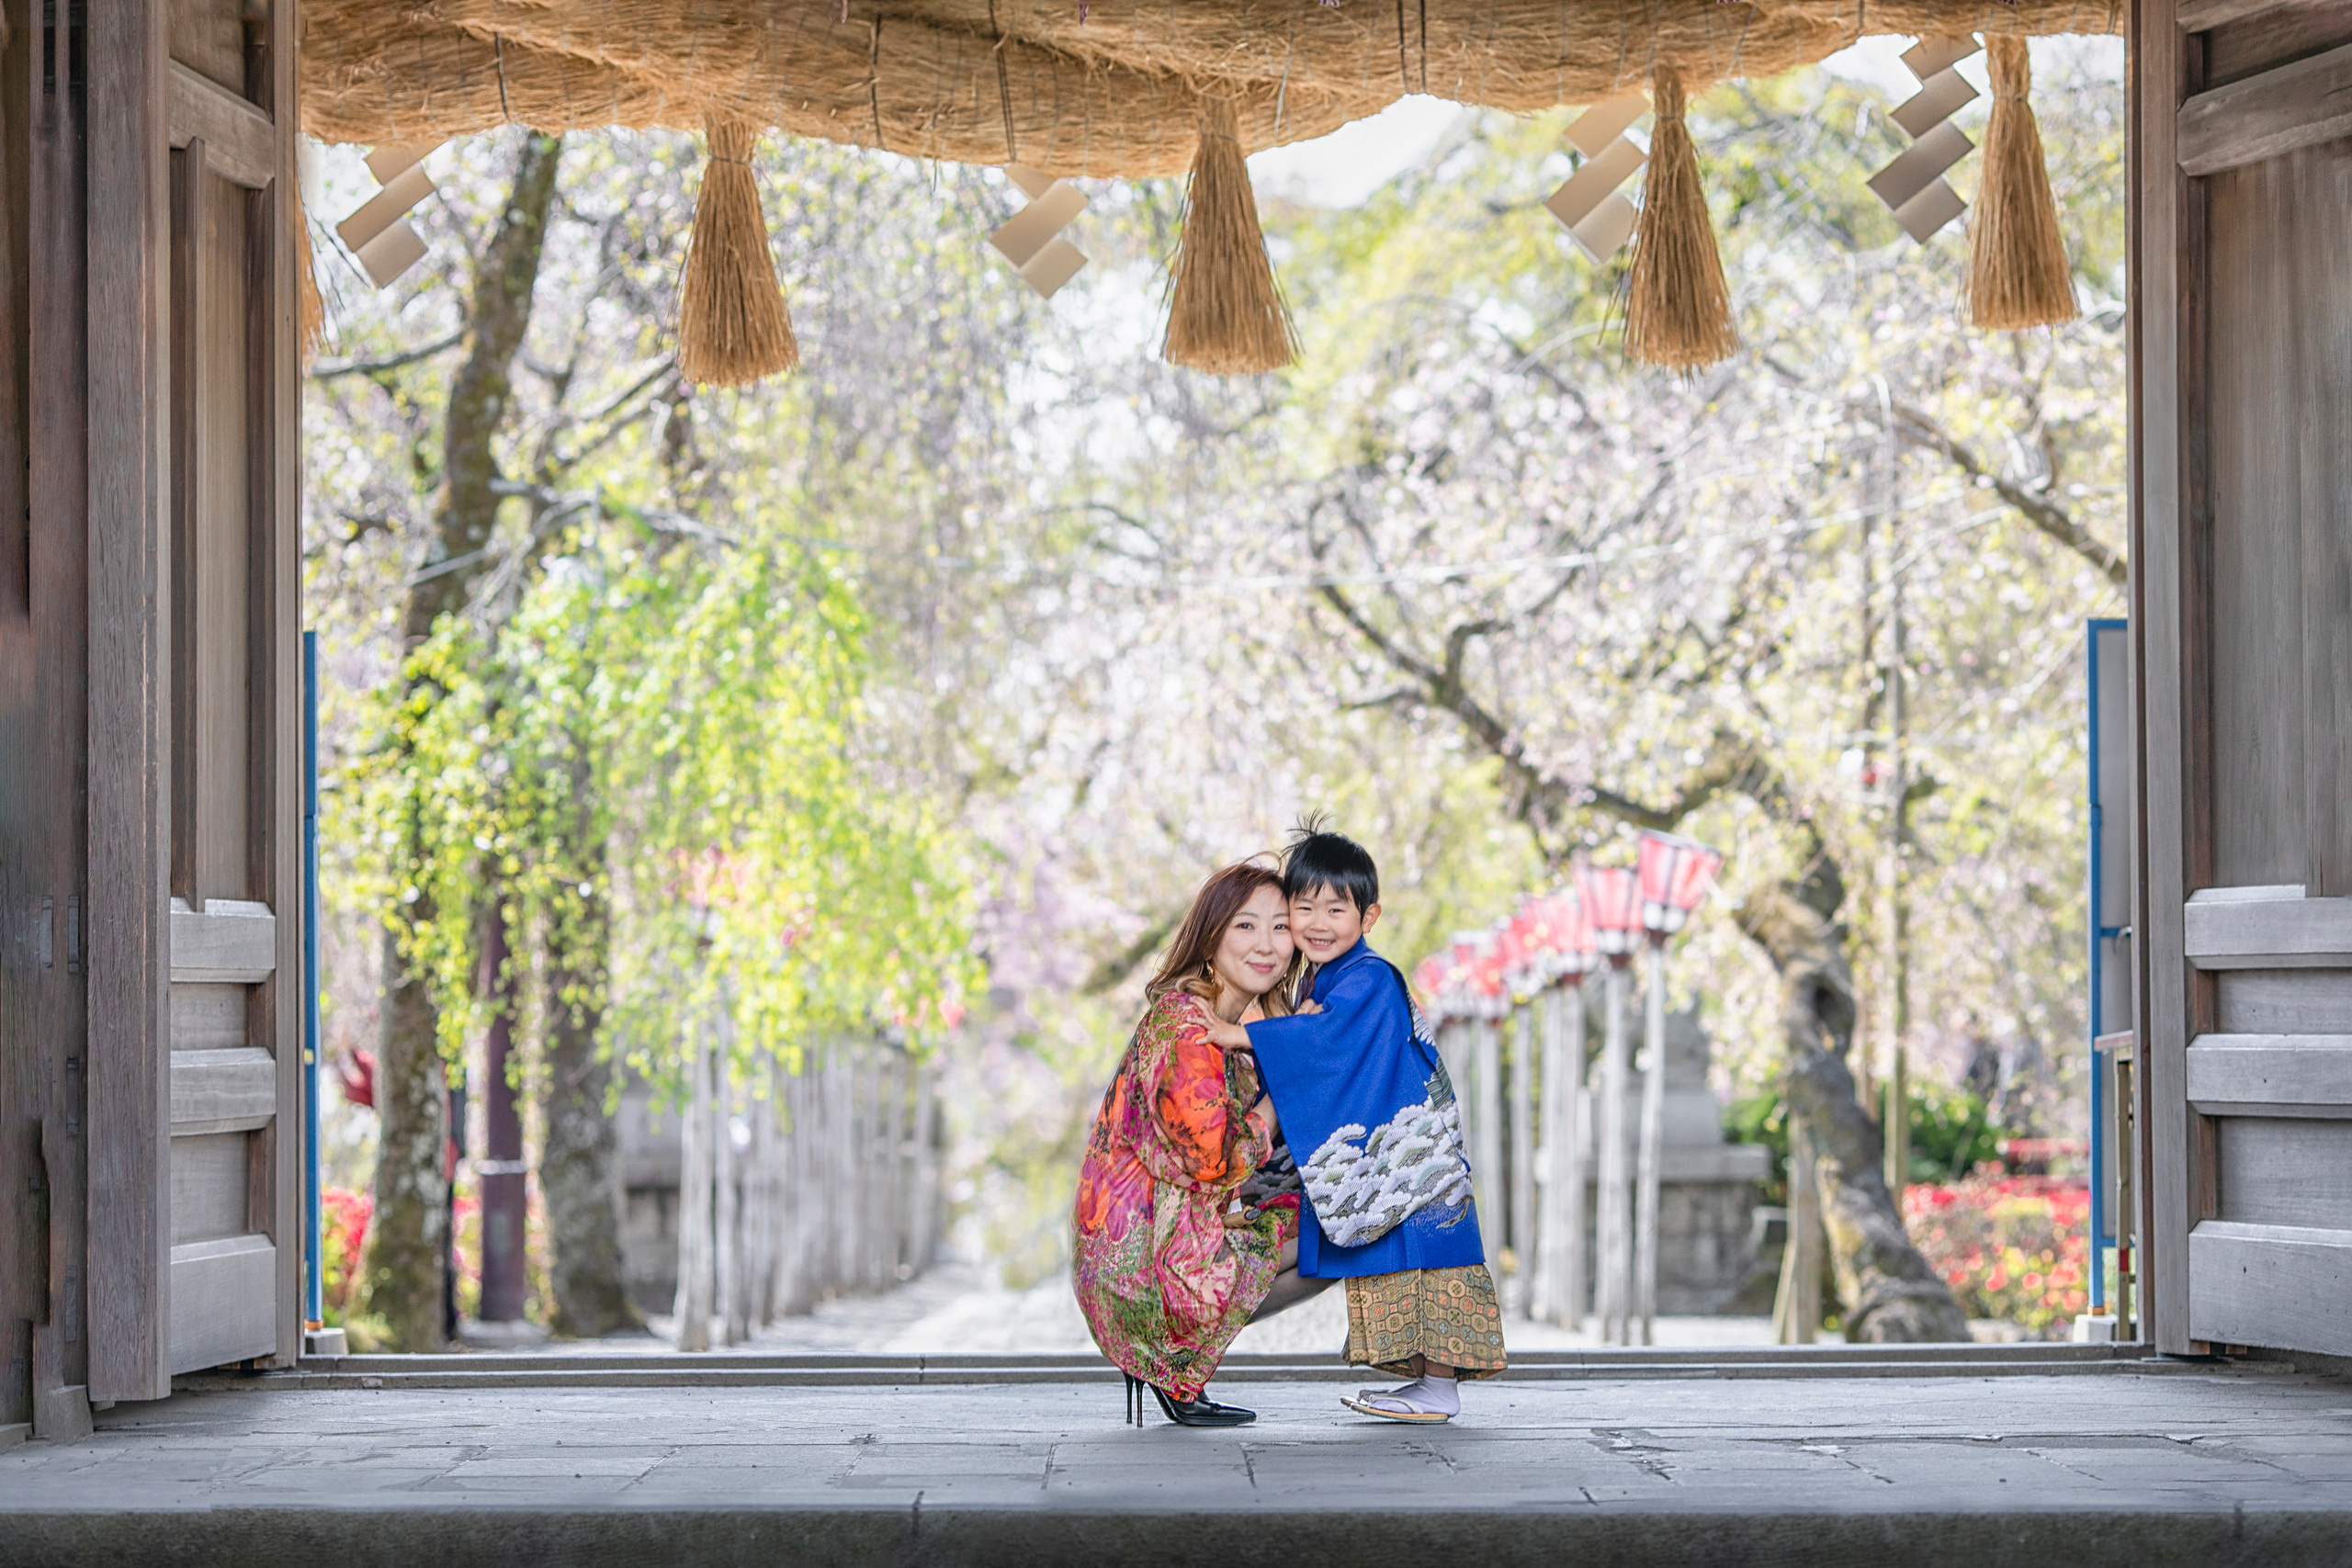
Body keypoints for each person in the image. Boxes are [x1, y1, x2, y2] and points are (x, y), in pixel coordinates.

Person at [1204, 820, 1507, 1423]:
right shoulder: (1336, 975)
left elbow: (1325, 1041)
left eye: (1335, 908)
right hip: (1396, 1153)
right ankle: (1428, 1382)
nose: (1317, 922)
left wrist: (1236, 1034)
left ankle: (1438, 1385)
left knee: (1427, 1260)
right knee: (1399, 1262)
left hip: (1412, 1158)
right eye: (1303, 905)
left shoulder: (1367, 975)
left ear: (1368, 916)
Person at [1070, 861, 1304, 1428]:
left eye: (1281, 928)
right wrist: (1282, 1097)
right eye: (1246, 926)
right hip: (1140, 1266)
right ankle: (1171, 1356)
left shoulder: (1215, 1023)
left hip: (1150, 1245)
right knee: (1342, 1240)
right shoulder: (1188, 1031)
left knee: (1321, 1216)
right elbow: (1214, 1162)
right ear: (1212, 934)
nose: (1267, 945)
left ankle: (1174, 1363)